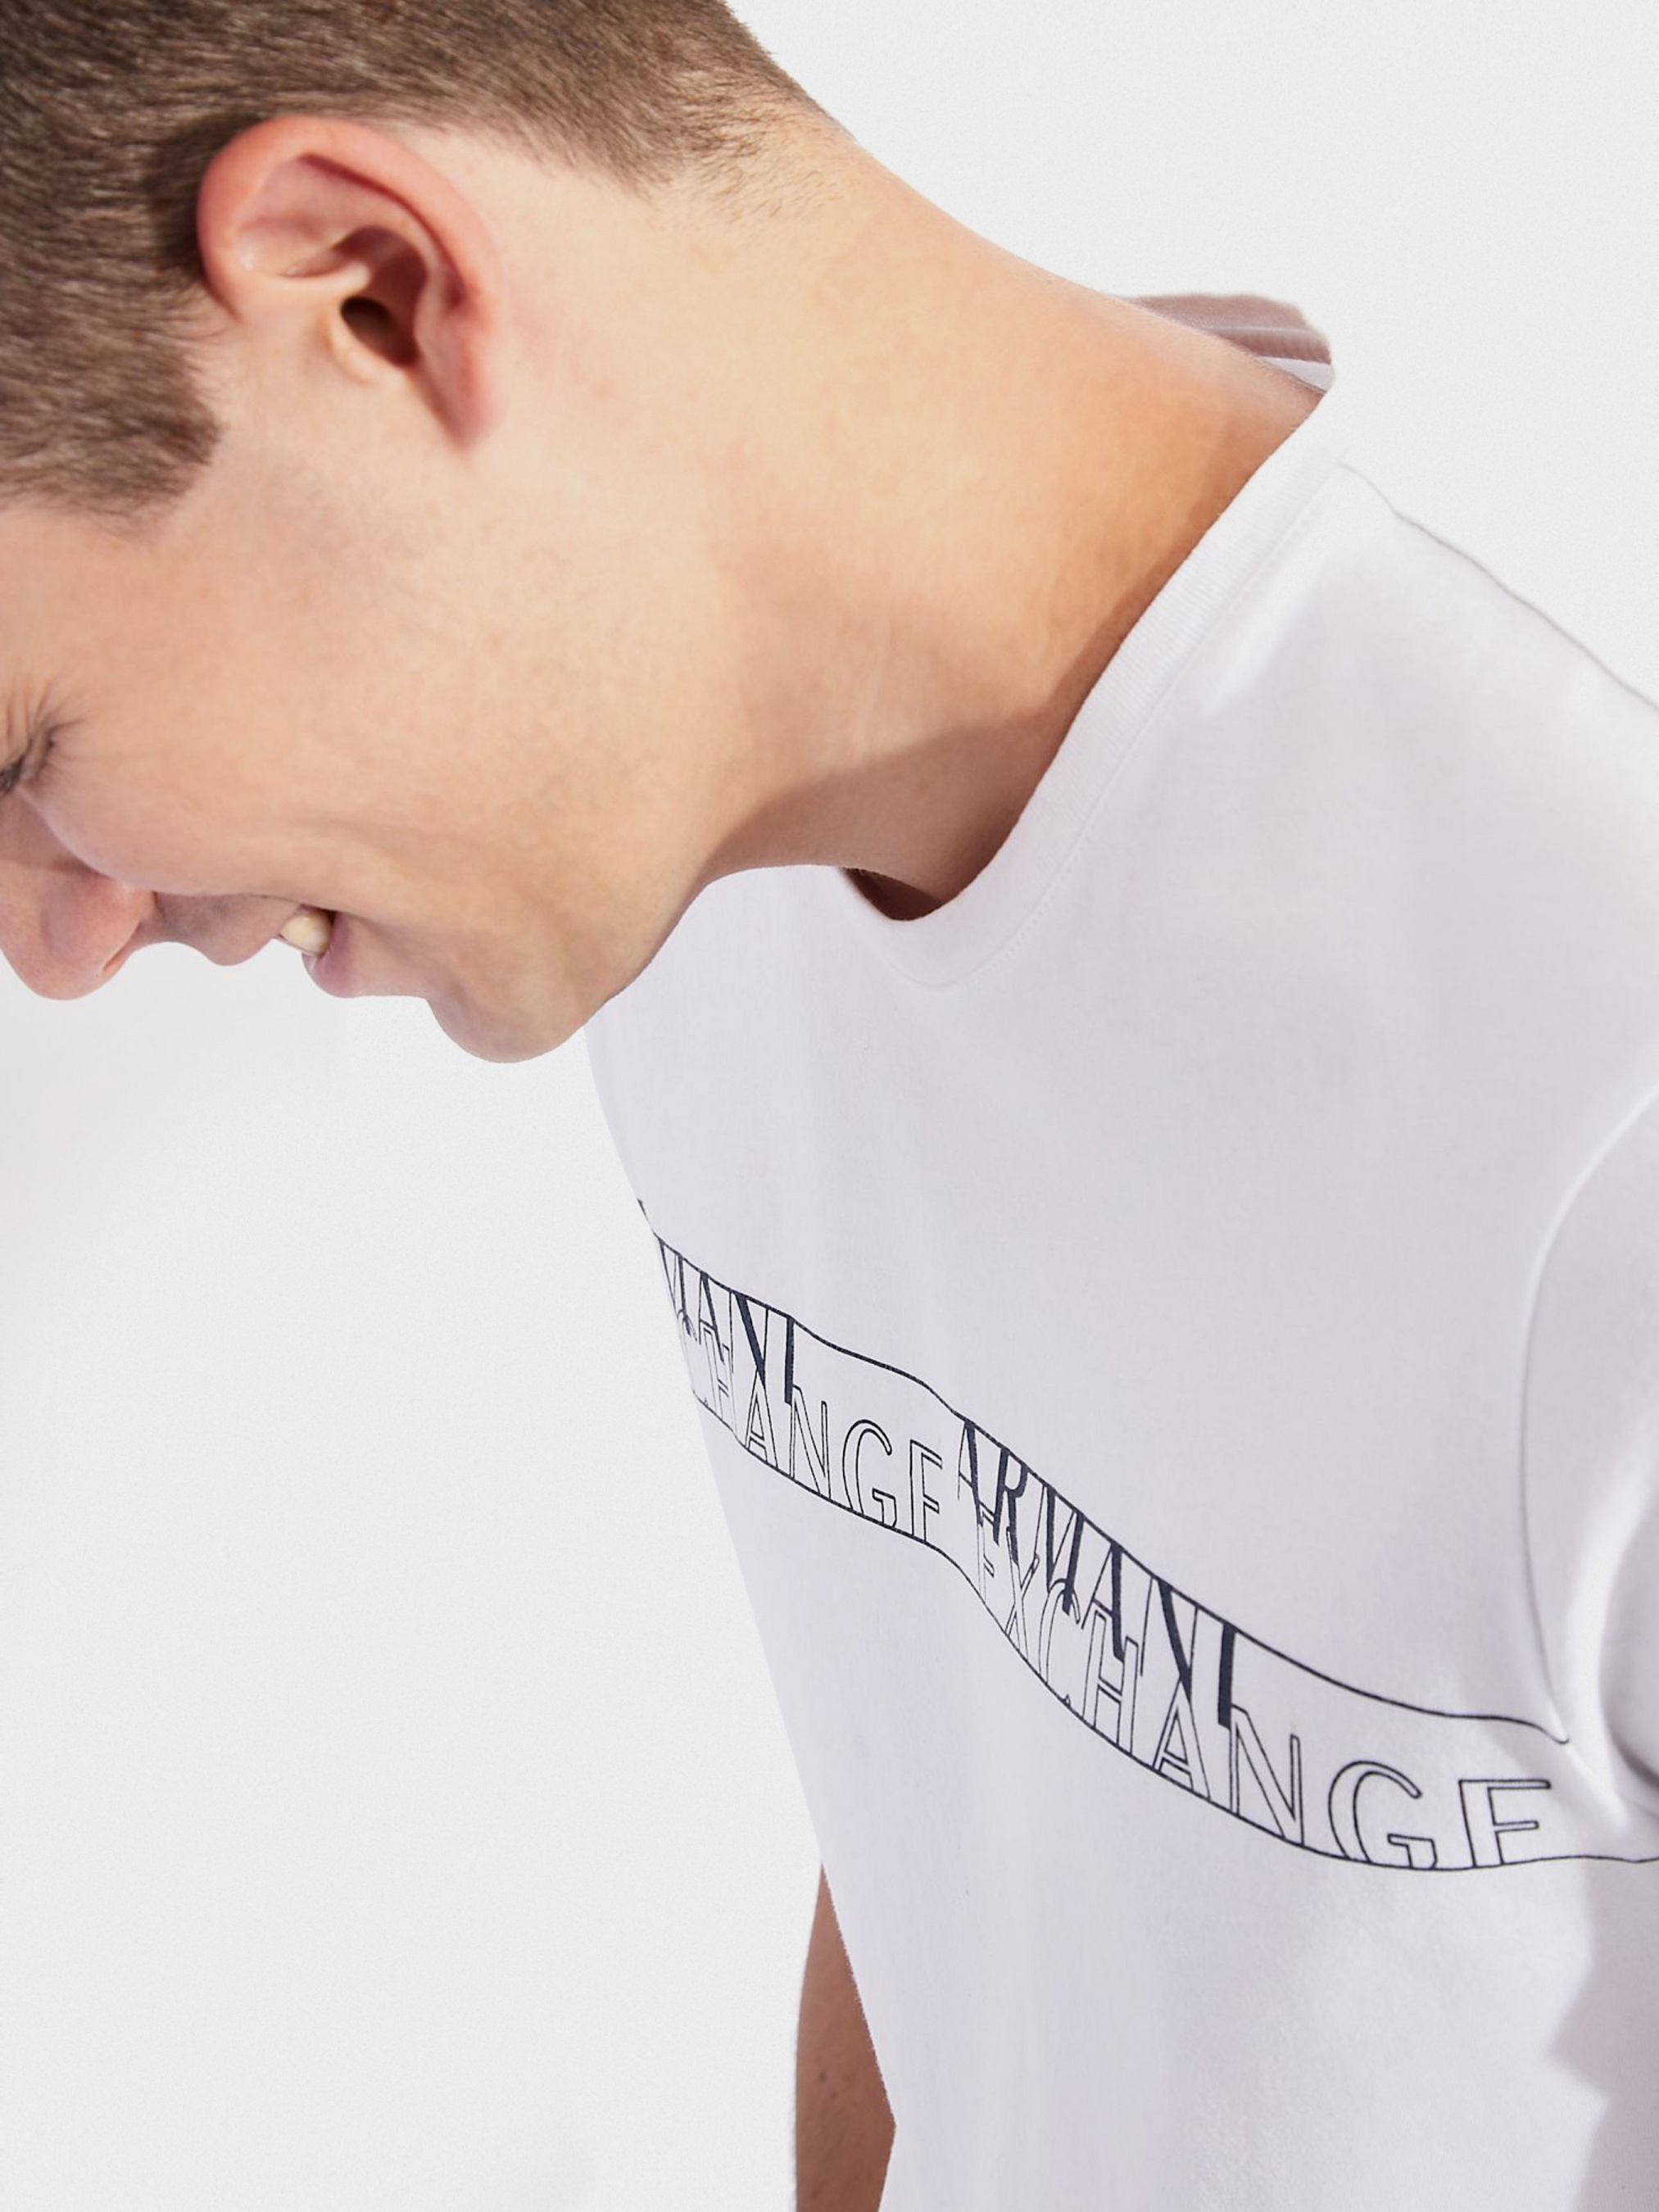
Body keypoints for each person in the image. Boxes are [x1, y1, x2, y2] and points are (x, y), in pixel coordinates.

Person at [2, 7, 1657, 2207]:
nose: (60, 936)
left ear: (369, 291)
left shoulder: (1597, 1046)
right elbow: (981, 1818)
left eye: (27, 746)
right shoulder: (689, 808)